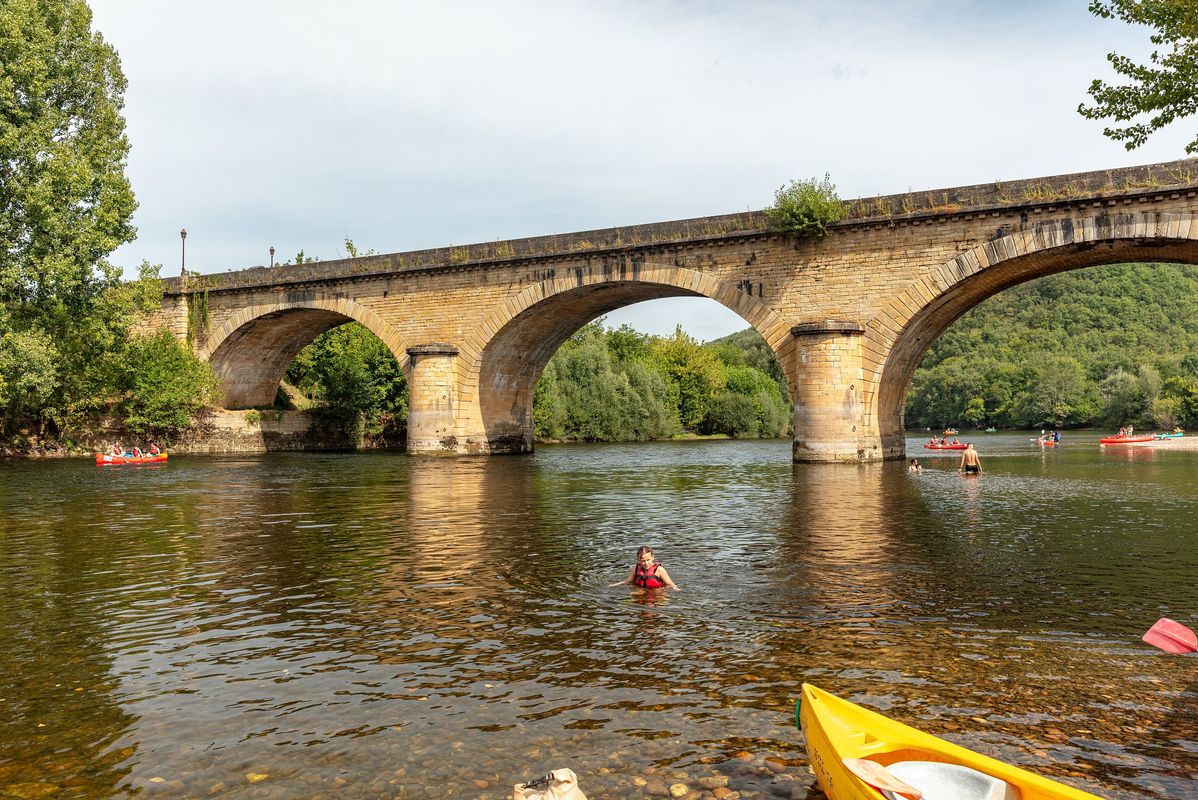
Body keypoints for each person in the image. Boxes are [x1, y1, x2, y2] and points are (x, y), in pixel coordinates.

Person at [612, 546, 679, 590]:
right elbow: (628, 581)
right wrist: (615, 585)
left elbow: (671, 584)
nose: (646, 563)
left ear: (653, 557)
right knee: (636, 595)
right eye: (643, 561)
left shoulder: (659, 570)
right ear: (638, 559)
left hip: (657, 592)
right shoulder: (635, 569)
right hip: (641, 590)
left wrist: (677, 589)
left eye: (648, 560)